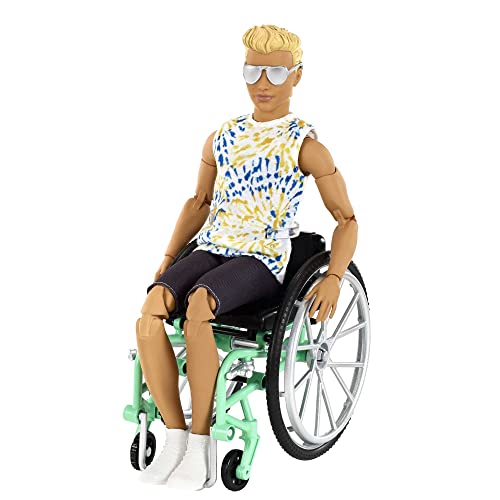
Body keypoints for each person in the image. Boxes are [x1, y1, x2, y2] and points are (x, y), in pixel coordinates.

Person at [135, 24, 358, 490]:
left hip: (263, 255)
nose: (263, 83)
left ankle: (201, 442)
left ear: (296, 76)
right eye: (253, 71)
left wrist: (335, 275)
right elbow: (199, 203)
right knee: (152, 309)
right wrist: (170, 256)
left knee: (199, 305)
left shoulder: (305, 145)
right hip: (214, 244)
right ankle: (175, 434)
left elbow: (346, 219)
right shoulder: (222, 137)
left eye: (275, 72)